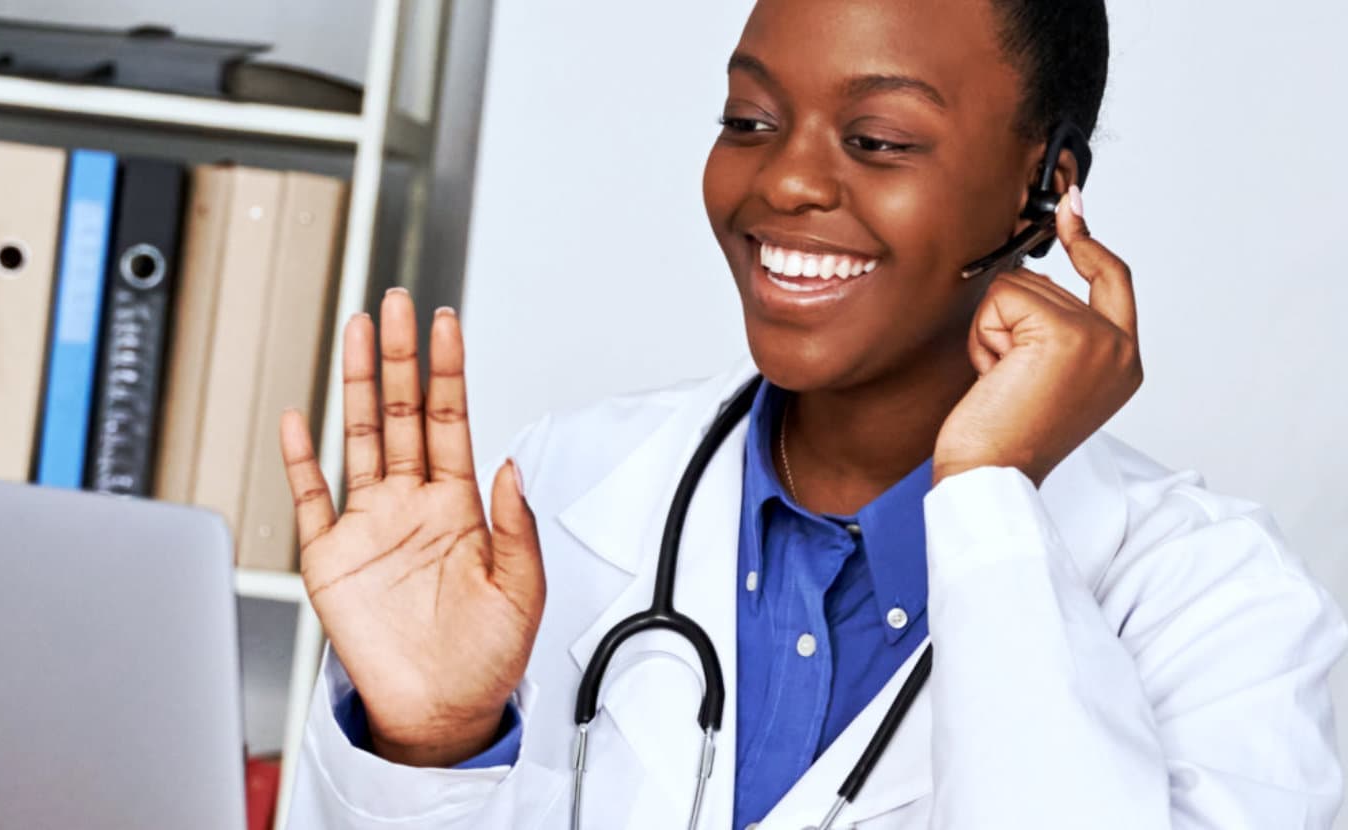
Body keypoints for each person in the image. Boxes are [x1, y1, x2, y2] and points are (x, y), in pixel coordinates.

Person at [273, 0, 1348, 827]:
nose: (785, 179)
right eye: (751, 119)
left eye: (878, 139)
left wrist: (986, 496)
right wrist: (433, 748)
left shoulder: (1224, 608)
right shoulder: (559, 490)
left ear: (1046, 186)